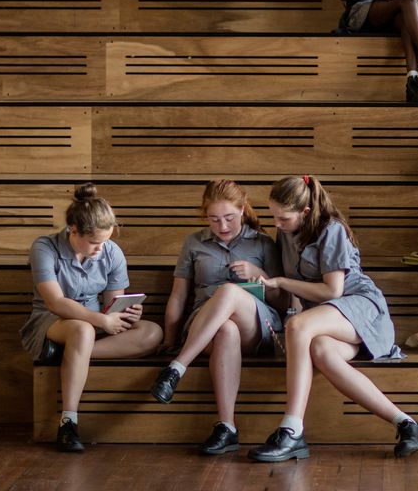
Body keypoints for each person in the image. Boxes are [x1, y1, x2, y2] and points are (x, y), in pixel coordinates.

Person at [247, 175, 418, 462]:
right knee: (319, 349)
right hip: (328, 316)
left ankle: (292, 430)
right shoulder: (285, 232)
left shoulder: (331, 229)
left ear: (305, 212)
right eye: (274, 216)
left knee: (298, 326)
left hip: (361, 307)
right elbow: (297, 290)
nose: (277, 223)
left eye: (283, 218)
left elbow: (332, 291)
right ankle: (408, 425)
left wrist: (281, 283)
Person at [19, 183, 164, 452]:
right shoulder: (44, 247)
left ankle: (73, 353)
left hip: (96, 319)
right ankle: (68, 422)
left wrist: (127, 312)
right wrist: (101, 321)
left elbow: (112, 306)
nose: (100, 248)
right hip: (53, 320)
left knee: (152, 332)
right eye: (95, 243)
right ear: (73, 230)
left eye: (105, 241)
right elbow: (55, 302)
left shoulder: (111, 252)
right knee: (82, 331)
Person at [150, 180, 284, 455]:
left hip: (256, 324)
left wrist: (259, 274)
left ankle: (177, 368)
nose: (222, 226)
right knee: (226, 330)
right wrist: (170, 339)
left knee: (229, 292)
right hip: (205, 325)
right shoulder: (193, 243)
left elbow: (282, 300)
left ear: (243, 209)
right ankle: (226, 427)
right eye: (214, 219)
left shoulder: (263, 243)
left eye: (230, 218)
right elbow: (178, 295)